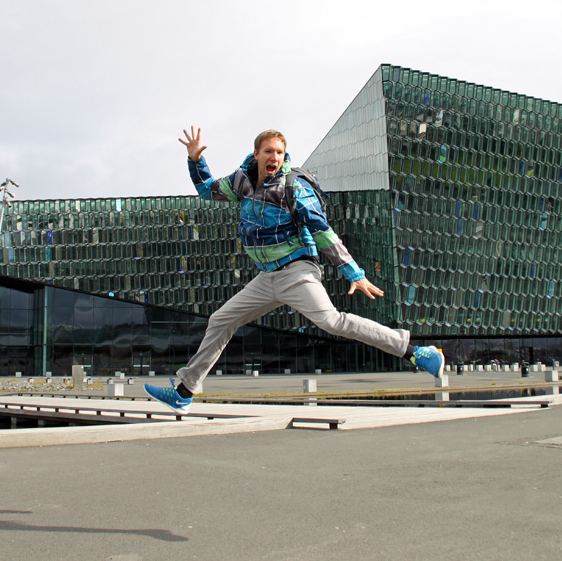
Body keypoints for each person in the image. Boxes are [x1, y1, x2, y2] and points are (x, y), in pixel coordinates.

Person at [144, 127, 444, 413]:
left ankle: (415, 352)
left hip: (297, 271)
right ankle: (184, 392)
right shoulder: (241, 182)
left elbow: (322, 230)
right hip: (267, 277)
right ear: (256, 154)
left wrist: (354, 272)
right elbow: (207, 191)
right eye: (268, 151)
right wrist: (196, 159)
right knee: (221, 320)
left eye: (279, 152)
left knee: (332, 322)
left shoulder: (293, 187)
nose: (274, 157)